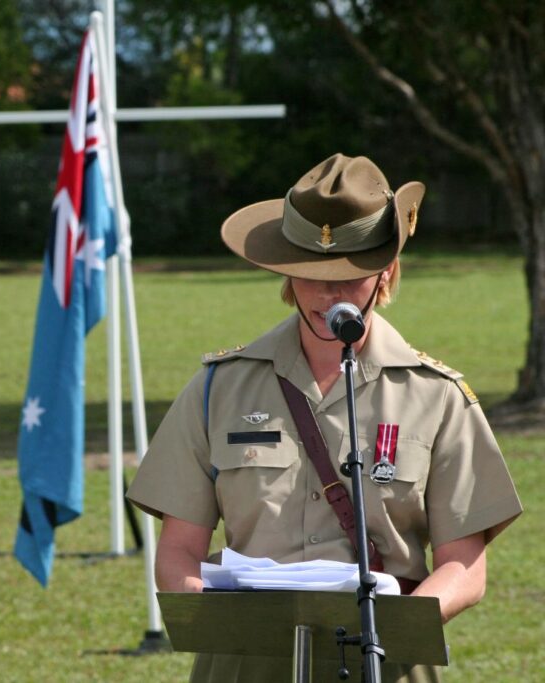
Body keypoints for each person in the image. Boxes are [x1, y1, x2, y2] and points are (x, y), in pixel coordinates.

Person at [127, 153, 523, 682]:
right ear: (286, 272)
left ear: (385, 272)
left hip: (381, 661)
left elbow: (464, 567)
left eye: (349, 274)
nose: (328, 294)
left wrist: (399, 623)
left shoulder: (438, 396)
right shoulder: (218, 387)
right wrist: (217, 615)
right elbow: (178, 549)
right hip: (246, 663)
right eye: (311, 274)